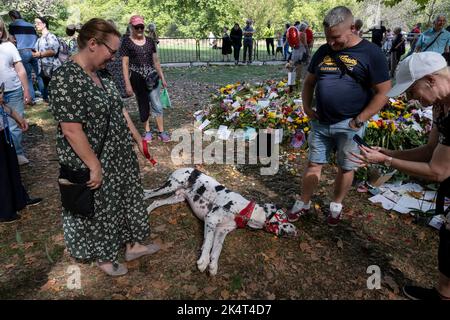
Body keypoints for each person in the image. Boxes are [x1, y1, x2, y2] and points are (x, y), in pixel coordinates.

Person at [49, 18, 160, 276]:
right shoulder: (66, 78)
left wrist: (138, 139)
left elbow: (118, 109)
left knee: (129, 196)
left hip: (118, 151)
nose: (114, 57)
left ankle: (134, 245)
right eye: (111, 51)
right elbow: (71, 129)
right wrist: (94, 165)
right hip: (92, 156)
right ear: (92, 44)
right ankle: (105, 257)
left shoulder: (102, 73)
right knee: (103, 206)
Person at [351, 52, 450, 300]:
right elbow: (430, 151)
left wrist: (387, 161)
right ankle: (443, 293)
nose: (411, 99)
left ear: (430, 80)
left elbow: (438, 171)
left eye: (412, 91)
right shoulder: (440, 104)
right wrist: (388, 151)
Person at [287, 6, 391, 226]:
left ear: (353, 28)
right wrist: (306, 107)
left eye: (336, 38)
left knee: (346, 166)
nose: (331, 43)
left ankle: (336, 205)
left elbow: (383, 92)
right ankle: (303, 202)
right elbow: (309, 82)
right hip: (321, 121)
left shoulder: (371, 53)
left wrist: (359, 119)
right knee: (314, 164)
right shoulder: (324, 51)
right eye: (328, 38)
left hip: (350, 124)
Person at [121, 15, 169, 142]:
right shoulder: (126, 42)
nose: (139, 29)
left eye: (141, 26)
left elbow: (156, 61)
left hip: (152, 77)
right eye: (137, 27)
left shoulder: (150, 41)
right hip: (137, 79)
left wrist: (162, 77)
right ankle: (147, 131)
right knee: (143, 104)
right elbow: (125, 64)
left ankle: (161, 131)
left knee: (157, 104)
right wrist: (127, 84)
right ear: (132, 27)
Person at [1, 86, 42, 223]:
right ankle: (5, 210)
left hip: (3, 131)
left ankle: (19, 199)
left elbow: (3, 105)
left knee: (12, 167)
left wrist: (18, 118)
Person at [0, 18, 32, 165]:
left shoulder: (8, 46)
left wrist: (26, 90)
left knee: (15, 125)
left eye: (0, 29)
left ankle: (17, 153)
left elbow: (20, 69)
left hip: (12, 90)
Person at [7, 10, 39, 105]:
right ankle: (46, 96)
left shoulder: (13, 25)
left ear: (12, 17)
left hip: (23, 51)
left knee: (27, 77)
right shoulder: (30, 25)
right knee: (39, 75)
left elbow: (12, 39)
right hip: (34, 51)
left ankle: (31, 99)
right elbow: (36, 37)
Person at [32, 16, 61, 103]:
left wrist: (40, 54)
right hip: (43, 69)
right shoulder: (39, 39)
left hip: (52, 68)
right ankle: (52, 104)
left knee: (55, 88)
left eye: (38, 23)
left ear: (44, 24)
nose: (36, 25)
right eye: (35, 23)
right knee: (48, 88)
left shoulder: (51, 36)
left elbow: (54, 51)